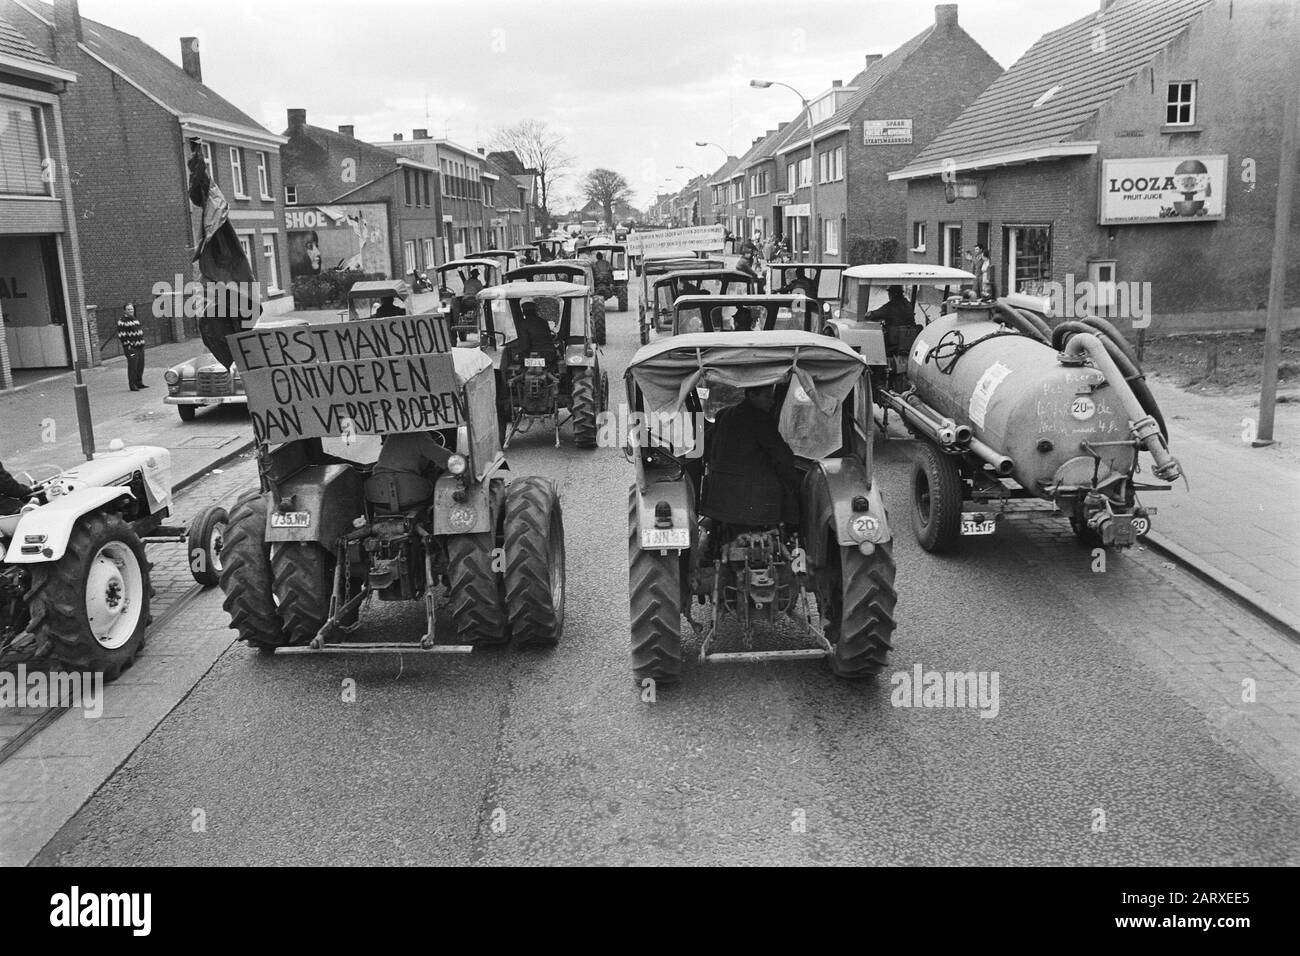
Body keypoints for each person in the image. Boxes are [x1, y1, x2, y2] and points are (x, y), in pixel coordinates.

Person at [701, 384, 801, 529]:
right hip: (754, 499)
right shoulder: (761, 419)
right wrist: (793, 480)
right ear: (752, 395)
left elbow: (707, 447)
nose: (772, 401)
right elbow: (781, 457)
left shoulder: (724, 414)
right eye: (767, 397)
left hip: (719, 496)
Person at [115, 302, 147, 390]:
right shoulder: (122, 321)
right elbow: (122, 335)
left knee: (140, 365)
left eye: (132, 309)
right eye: (128, 309)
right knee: (133, 366)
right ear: (124, 311)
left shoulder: (134, 319)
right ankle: (132, 385)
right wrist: (128, 346)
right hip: (132, 349)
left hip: (140, 347)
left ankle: (139, 383)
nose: (131, 311)